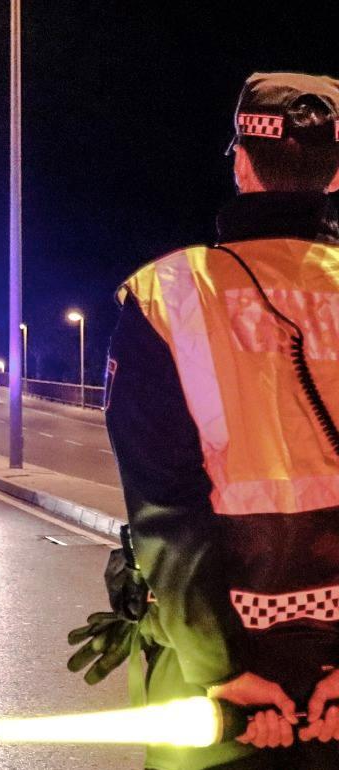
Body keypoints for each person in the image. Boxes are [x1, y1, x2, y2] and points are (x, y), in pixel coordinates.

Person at [88, 72, 339, 770]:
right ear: (338, 171)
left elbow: (164, 506)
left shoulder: (172, 294)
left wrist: (220, 667)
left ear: (241, 160)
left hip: (223, 693)